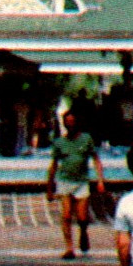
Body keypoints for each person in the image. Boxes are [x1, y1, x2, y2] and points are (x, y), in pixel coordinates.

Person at [47, 110, 107, 258]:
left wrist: (100, 180)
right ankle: (69, 248)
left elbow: (96, 159)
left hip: (81, 182)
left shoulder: (86, 139)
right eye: (68, 123)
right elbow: (53, 166)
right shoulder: (60, 142)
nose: (70, 125)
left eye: (73, 122)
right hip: (65, 181)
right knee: (66, 215)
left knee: (82, 217)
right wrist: (49, 188)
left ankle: (83, 233)